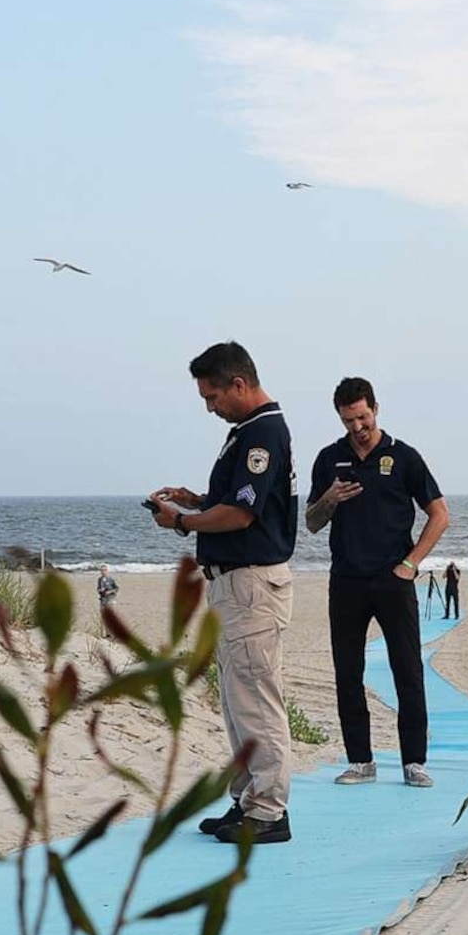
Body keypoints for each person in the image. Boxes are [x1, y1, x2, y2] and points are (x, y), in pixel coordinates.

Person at [146, 341, 298, 844]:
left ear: (239, 384)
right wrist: (197, 500)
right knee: (237, 700)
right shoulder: (248, 433)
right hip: (236, 582)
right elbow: (233, 502)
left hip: (252, 581)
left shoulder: (264, 433)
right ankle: (248, 799)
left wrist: (183, 521)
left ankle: (270, 811)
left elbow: (242, 514)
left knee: (255, 697)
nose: (210, 407)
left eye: (212, 397)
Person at [305, 377, 449, 788]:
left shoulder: (403, 457)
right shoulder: (328, 458)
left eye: (363, 417)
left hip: (393, 579)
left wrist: (411, 563)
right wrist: (330, 498)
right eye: (349, 420)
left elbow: (439, 515)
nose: (357, 427)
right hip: (346, 580)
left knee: (408, 671)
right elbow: (312, 524)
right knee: (347, 672)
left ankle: (414, 762)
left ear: (376, 409)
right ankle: (361, 761)